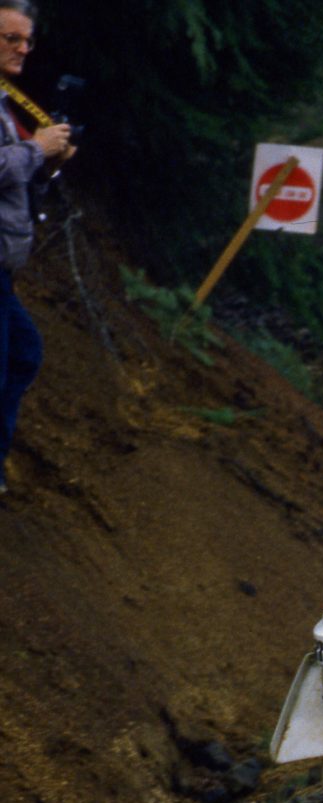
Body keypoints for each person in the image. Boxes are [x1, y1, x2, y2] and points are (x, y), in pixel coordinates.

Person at [0, 0, 75, 493]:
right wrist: (36, 149)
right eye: (12, 38)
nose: (24, 48)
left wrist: (48, 165)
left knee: (24, 353)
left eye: (27, 40)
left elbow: (16, 185)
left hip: (4, 268)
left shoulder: (6, 105)